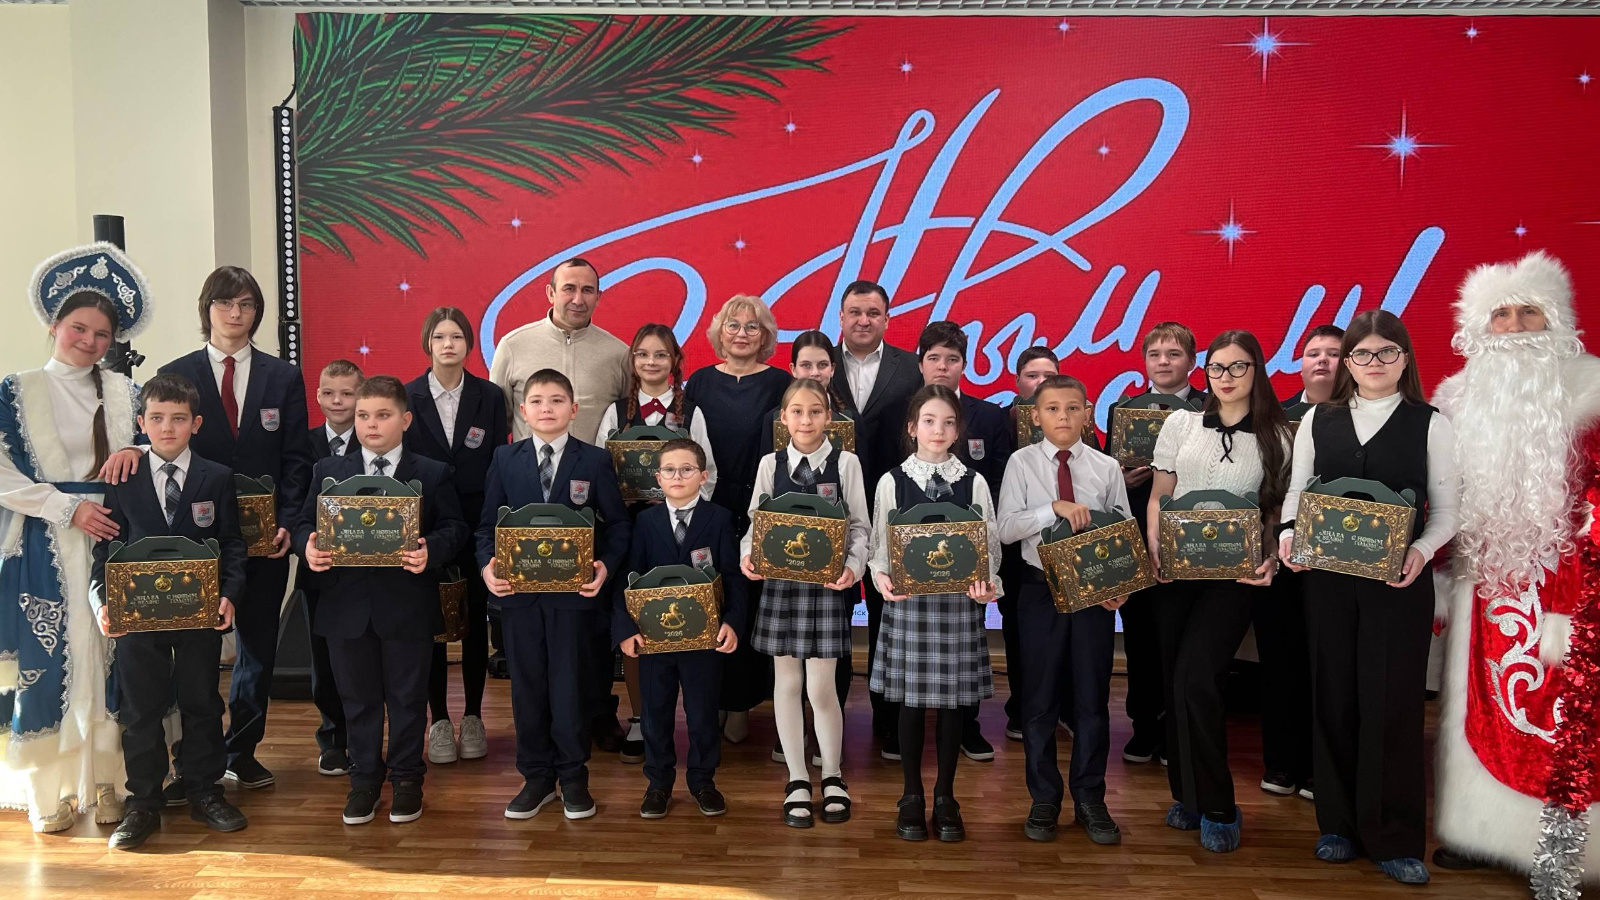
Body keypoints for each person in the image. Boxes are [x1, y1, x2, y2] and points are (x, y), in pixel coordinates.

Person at [102, 266, 316, 794]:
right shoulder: (177, 372)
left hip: (263, 540)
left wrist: (289, 520)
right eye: (225, 303)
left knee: (257, 647)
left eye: (246, 305)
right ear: (208, 309)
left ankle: (241, 751)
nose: (235, 313)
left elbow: (296, 458)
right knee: (190, 654)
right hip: (189, 538)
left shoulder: (283, 377)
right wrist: (131, 447)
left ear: (257, 313)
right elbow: (156, 434)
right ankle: (185, 762)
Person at [1429, 250, 1600, 894]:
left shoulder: (1591, 390)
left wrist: (1575, 589)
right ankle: (1481, 832)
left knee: (1561, 721)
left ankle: (1557, 853)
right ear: (1480, 326)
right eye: (1501, 315)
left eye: (1530, 312)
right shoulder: (1455, 398)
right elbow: (1443, 495)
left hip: (1572, 589)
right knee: (1480, 714)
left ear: (1556, 318)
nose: (1516, 326)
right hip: (1485, 587)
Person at [1276, 311, 1459, 884]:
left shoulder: (1431, 424)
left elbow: (1449, 512)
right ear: (1348, 363)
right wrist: (1288, 535)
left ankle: (1395, 838)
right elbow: (1297, 492)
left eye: (1386, 353)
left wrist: (1421, 552)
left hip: (1397, 585)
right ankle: (1337, 825)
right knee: (1333, 696)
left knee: (1392, 705)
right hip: (1327, 580)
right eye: (1362, 354)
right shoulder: (1318, 419)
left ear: (1405, 359)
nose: (1373, 363)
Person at [1, 244, 149, 833]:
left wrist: (137, 452)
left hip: (114, 537)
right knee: (51, 660)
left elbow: (157, 447)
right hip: (45, 541)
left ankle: (111, 781)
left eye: (101, 334)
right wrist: (67, 508)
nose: (89, 341)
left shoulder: (125, 391)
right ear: (54, 325)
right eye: (79, 328)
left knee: (114, 658)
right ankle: (52, 791)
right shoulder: (16, 389)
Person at [294, 375, 468, 825]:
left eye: (383, 415)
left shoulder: (431, 472)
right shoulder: (328, 471)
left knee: (408, 698)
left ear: (405, 420)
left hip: (407, 606)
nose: (371, 424)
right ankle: (364, 781)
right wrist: (306, 547)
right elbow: (302, 524)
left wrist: (431, 550)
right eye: (363, 415)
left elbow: (455, 528)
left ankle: (407, 780)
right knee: (357, 700)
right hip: (345, 607)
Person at [1146, 329, 1288, 854]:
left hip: (1235, 576)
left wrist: (1271, 558)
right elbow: (1160, 495)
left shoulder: (1279, 434)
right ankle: (1187, 796)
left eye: (1238, 366)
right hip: (1176, 570)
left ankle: (1221, 806)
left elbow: (1275, 511)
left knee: (1198, 679)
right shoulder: (1180, 423)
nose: (1226, 377)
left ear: (1257, 370)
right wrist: (1156, 548)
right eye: (1217, 368)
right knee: (1175, 683)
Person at [92, 374, 249, 849]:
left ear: (195, 424)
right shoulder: (123, 477)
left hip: (199, 614)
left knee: (202, 701)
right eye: (157, 418)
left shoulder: (216, 477)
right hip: (137, 617)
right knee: (141, 708)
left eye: (178, 419)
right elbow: (106, 549)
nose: (167, 427)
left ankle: (204, 790)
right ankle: (143, 802)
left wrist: (229, 594)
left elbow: (232, 544)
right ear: (141, 423)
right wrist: (103, 603)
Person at [488, 258, 632, 752]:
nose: (577, 298)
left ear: (599, 295)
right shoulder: (514, 345)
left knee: (588, 635)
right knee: (533, 648)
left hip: (591, 497)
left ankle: (596, 716)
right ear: (549, 293)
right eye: (568, 288)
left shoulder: (617, 353)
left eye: (588, 289)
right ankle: (543, 741)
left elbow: (627, 421)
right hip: (529, 504)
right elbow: (500, 418)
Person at [480, 369, 631, 821]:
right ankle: (536, 777)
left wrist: (605, 565)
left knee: (571, 687)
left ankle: (573, 776)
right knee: (527, 688)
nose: (547, 408)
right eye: (537, 401)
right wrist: (487, 567)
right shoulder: (505, 458)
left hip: (574, 600)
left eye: (557, 400)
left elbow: (618, 526)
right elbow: (486, 528)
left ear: (574, 409)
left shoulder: (595, 461)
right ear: (523, 411)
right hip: (519, 598)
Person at [997, 375, 1131, 846]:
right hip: (1040, 591)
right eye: (1052, 408)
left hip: (1093, 594)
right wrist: (1051, 508)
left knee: (1092, 698)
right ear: (1035, 416)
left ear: (1088, 413)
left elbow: (1124, 531)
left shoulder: (1106, 467)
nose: (1063, 417)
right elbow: (1006, 528)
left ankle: (1091, 798)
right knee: (1039, 700)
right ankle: (1044, 798)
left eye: (1073, 408)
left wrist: (1120, 587)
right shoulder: (1021, 463)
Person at [869, 385, 1001, 843]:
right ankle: (911, 794)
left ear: (959, 430)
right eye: (928, 421)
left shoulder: (974, 481)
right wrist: (881, 578)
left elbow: (990, 545)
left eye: (948, 422)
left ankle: (946, 795)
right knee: (909, 703)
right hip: (910, 604)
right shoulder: (892, 481)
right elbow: (880, 547)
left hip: (957, 604)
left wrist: (987, 582)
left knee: (951, 705)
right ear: (912, 428)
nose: (938, 430)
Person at [740, 378, 869, 828]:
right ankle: (797, 777)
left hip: (827, 587)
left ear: (829, 417)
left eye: (815, 411)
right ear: (784, 418)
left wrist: (853, 565)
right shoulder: (770, 464)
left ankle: (832, 774)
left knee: (821, 687)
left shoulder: (846, 462)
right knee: (787, 682)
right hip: (781, 585)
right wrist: (748, 555)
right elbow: (755, 523)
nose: (806, 419)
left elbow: (860, 527)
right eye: (797, 411)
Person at [598, 323, 718, 763]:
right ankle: (639, 717)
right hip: (633, 533)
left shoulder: (692, 412)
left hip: (681, 531)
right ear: (632, 361)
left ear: (675, 362)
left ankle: (698, 720)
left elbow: (710, 472)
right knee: (638, 620)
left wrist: (680, 502)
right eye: (643, 354)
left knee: (686, 616)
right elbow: (601, 474)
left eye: (661, 354)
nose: (651, 362)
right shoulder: (616, 413)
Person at [615, 438, 745, 818]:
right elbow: (628, 577)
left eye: (687, 469)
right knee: (655, 714)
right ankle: (658, 783)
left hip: (704, 641)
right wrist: (624, 627)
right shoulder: (645, 522)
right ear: (657, 477)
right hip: (654, 640)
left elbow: (733, 577)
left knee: (703, 714)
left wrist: (732, 621)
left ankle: (703, 782)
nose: (677, 476)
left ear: (702, 476)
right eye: (669, 470)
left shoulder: (720, 519)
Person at [683, 296, 791, 742]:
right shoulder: (699, 382)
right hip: (709, 504)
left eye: (752, 326)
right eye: (733, 325)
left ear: (765, 336)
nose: (742, 334)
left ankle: (743, 702)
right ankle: (714, 700)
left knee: (752, 602)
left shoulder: (781, 382)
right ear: (719, 332)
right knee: (712, 599)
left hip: (763, 504)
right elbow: (687, 448)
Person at [406, 308, 509, 770]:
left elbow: (496, 459)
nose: (448, 345)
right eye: (439, 337)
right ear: (427, 343)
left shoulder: (490, 396)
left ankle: (472, 717)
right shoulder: (407, 394)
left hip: (475, 519)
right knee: (429, 621)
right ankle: (439, 720)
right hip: (424, 524)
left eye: (457, 337)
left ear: (469, 344)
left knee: (473, 620)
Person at [827, 281, 923, 754]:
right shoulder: (819, 362)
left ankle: (889, 723)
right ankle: (831, 721)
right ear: (841, 317)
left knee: (891, 616)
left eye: (872, 312)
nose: (863, 320)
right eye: (854, 312)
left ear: (887, 318)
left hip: (893, 511)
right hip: (832, 513)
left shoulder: (911, 367)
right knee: (834, 614)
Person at [910, 321, 1011, 762]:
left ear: (964, 365)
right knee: (910, 653)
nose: (942, 366)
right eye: (934, 357)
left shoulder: (988, 415)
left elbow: (1000, 480)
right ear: (920, 363)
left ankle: (967, 727)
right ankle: (899, 730)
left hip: (966, 558)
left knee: (963, 650)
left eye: (952, 359)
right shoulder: (902, 412)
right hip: (910, 556)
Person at [1111, 322, 1207, 766]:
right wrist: (1122, 476)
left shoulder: (1211, 409)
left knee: (1181, 640)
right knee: (1140, 637)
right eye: (1155, 354)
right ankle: (1144, 726)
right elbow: (1107, 477)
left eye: (1173, 354)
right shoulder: (1123, 409)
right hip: (1135, 538)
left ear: (1192, 361)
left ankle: (1177, 729)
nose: (1163, 362)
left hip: (1190, 541)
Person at [1252, 325, 1342, 801]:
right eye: (1313, 353)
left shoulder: (1363, 419)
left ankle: (1319, 768)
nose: (1322, 360)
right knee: (1280, 661)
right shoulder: (1275, 418)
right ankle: (1282, 763)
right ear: (1300, 363)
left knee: (1329, 666)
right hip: (1280, 557)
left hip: (1338, 562)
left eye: (1334, 353)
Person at [997, 346, 1064, 740]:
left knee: (1066, 631)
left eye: (1048, 376)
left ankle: (1062, 707)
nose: (1040, 382)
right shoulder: (1000, 421)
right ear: (1018, 381)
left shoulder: (1076, 419)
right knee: (1018, 630)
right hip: (1014, 545)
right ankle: (1022, 707)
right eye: (1032, 375)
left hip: (1064, 546)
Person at [304, 357, 364, 777]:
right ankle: (333, 738)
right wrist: (303, 540)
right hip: (320, 571)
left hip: (370, 573)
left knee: (364, 665)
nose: (338, 401)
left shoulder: (378, 441)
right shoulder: (301, 443)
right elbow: (295, 501)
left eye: (347, 393)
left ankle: (367, 740)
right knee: (324, 661)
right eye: (329, 392)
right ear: (318, 395)